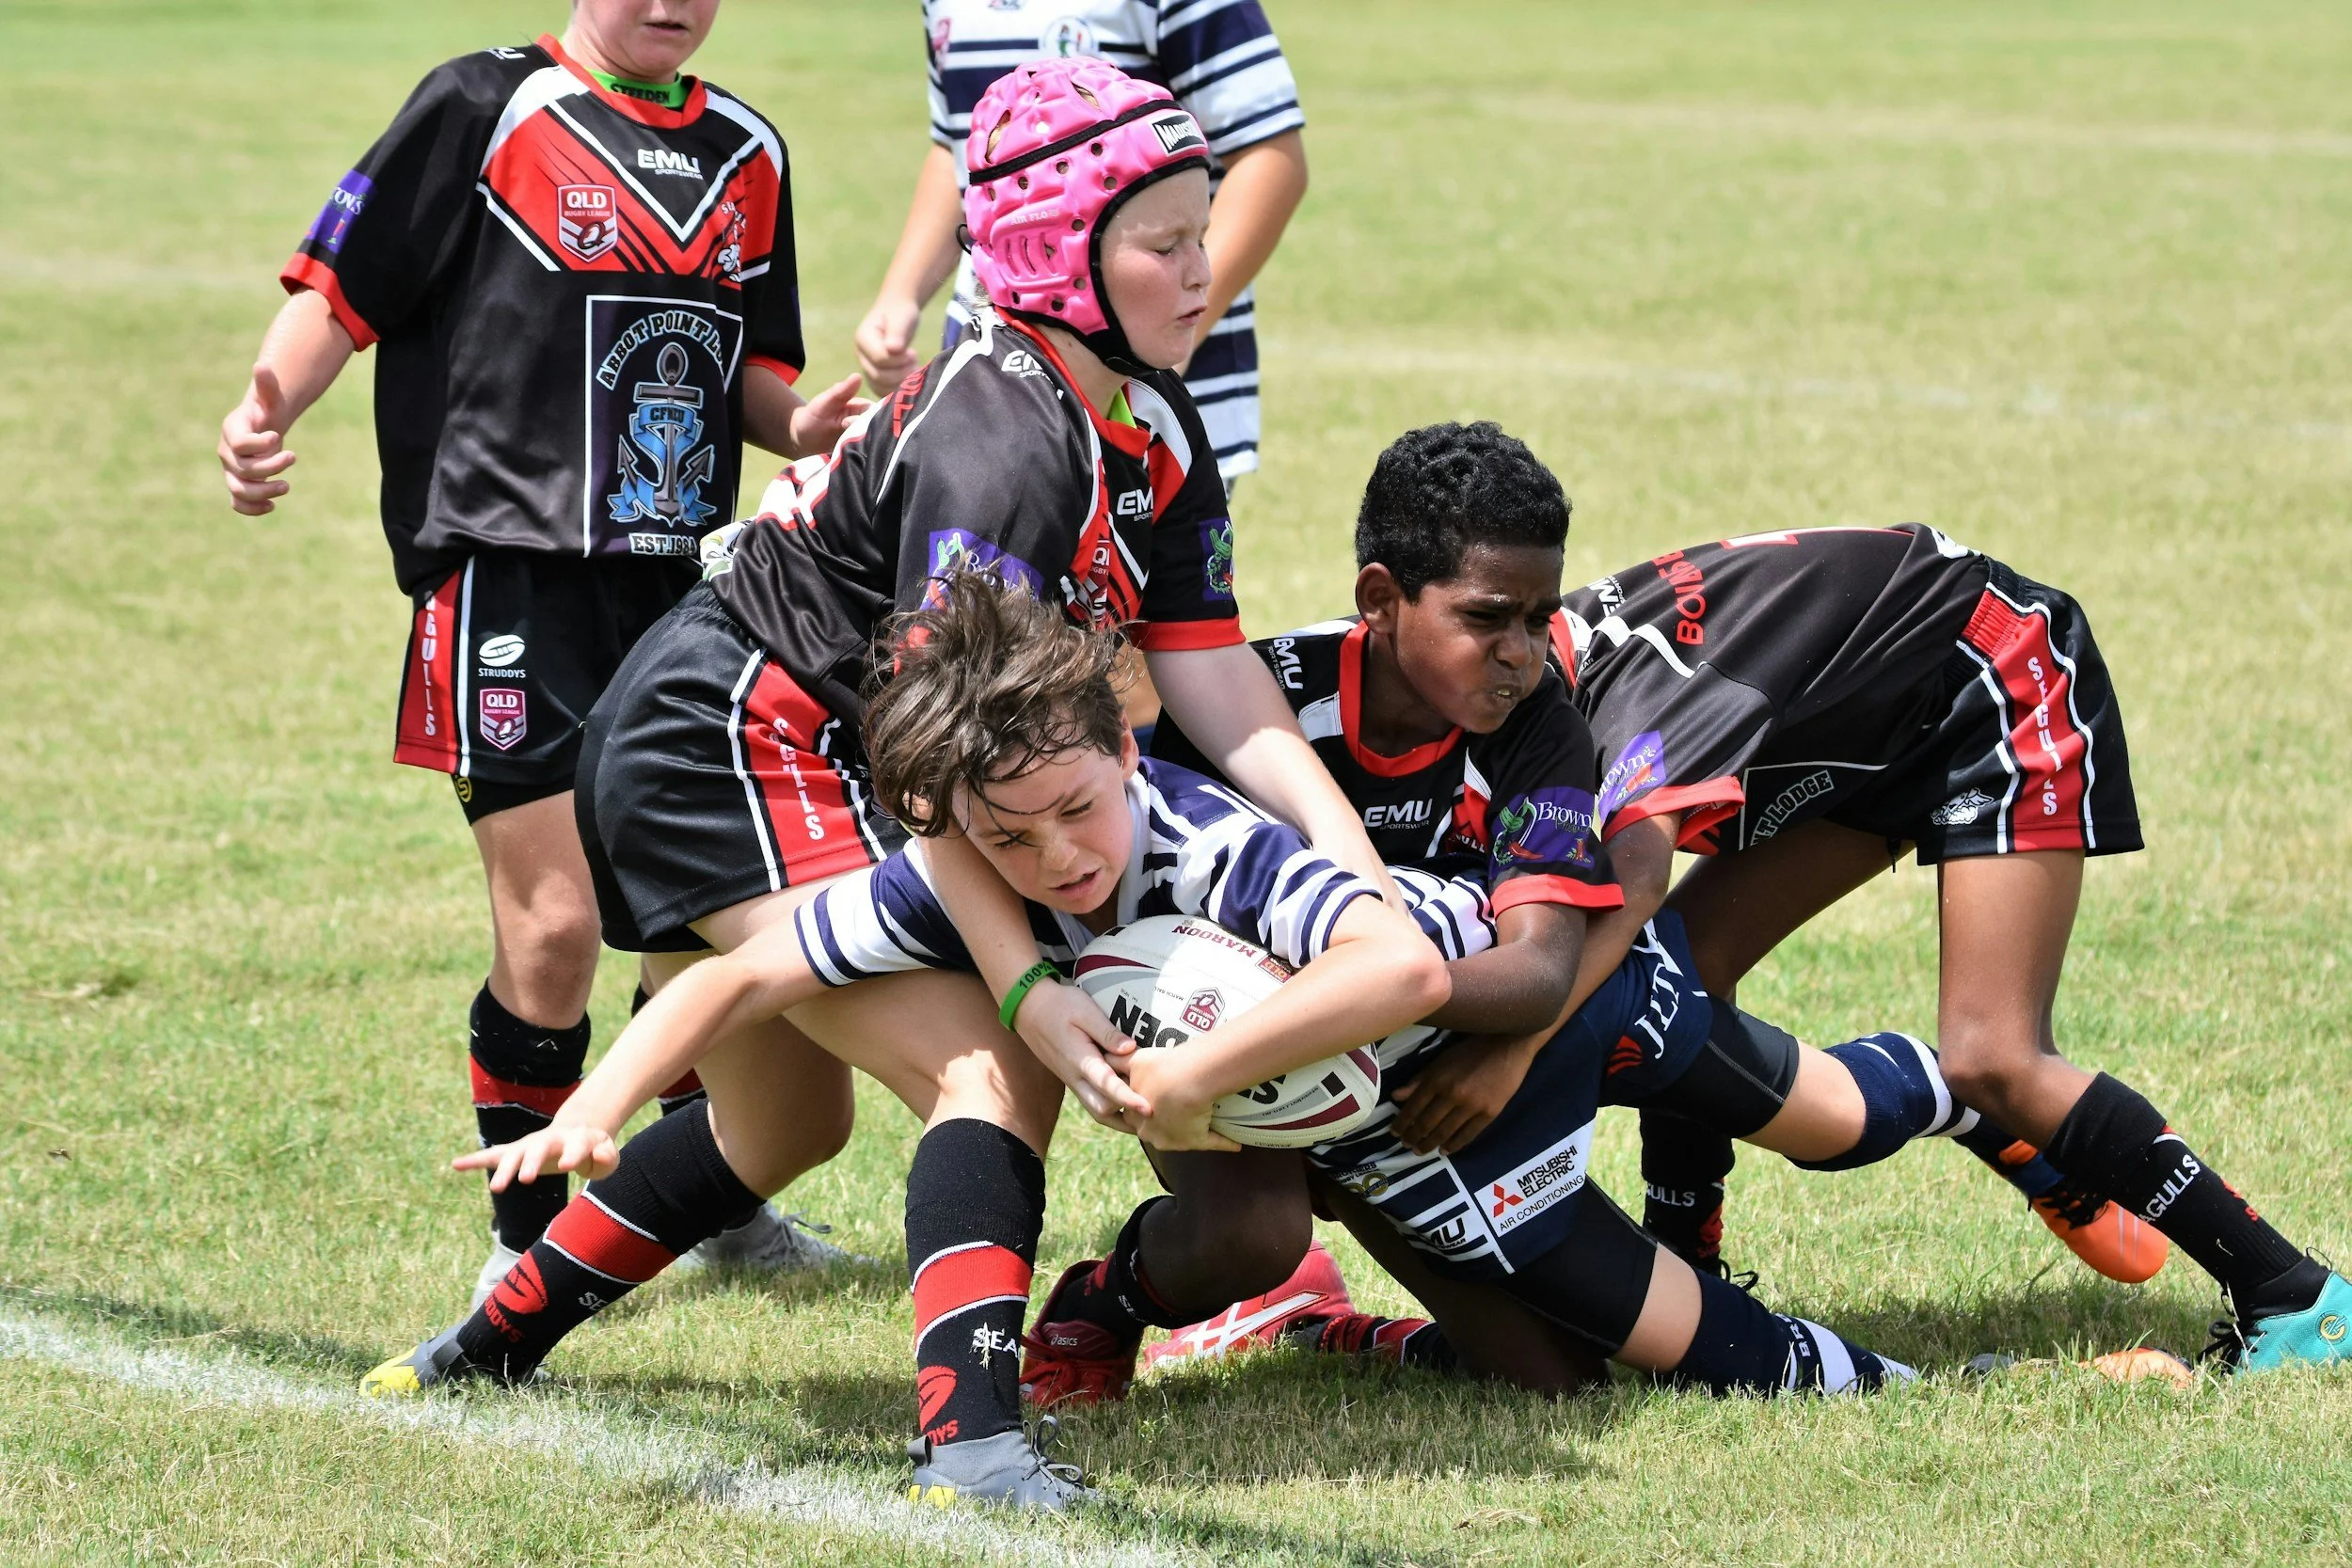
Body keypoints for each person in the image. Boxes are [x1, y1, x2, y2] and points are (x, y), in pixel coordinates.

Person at [370, 573, 1450, 1511]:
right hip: (701, 733)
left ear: (1126, 749)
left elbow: (1401, 966)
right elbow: (747, 975)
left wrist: (1196, 1072)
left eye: (1076, 807)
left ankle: (1027, 1385)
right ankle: (489, 1341)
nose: (1057, 856)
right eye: (1010, 837)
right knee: (826, 1113)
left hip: (1416, 1066)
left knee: (1254, 1231)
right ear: (959, 830)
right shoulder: (961, 866)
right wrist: (597, 1104)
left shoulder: (1208, 847)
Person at [1034, 424, 2056, 1395]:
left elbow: (1535, 972)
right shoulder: (1256, 712)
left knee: (1798, 1157)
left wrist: (1442, 1022)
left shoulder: (1537, 729)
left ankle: (1982, 1111)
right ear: (1380, 599)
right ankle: (1114, 1304)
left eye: (1537, 616)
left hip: (1532, 1042)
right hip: (1298, 1076)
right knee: (1261, 1242)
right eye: (1487, 617)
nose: (1522, 650)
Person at [214, 0, 867, 1303]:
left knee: (685, 925)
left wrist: (813, 427)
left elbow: (755, 371)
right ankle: (522, 1243)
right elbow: (340, 290)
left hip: (684, 586)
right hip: (507, 567)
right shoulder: (483, 105)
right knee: (559, 926)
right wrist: (265, 402)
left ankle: (714, 1205)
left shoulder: (749, 150)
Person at [1548, 523, 2351, 1369]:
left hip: (1997, 674)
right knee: (1686, 973)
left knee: (1995, 1057)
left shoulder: (1624, 693)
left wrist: (1510, 1048)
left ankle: (2295, 1297)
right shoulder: (1533, 654)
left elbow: (1631, 890)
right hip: (1876, 717)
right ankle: (1689, 1264)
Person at [856, 0, 1310, 491]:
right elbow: (965, 157)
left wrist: (1157, 357)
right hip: (997, 366)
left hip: (1159, 391)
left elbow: (1271, 155)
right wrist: (901, 293)